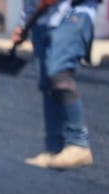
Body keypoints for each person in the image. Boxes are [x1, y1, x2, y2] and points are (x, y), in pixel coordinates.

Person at [17, 0, 97, 169]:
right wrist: (23, 25)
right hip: (42, 22)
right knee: (46, 81)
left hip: (72, 15)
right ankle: (54, 148)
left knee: (59, 73)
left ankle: (78, 144)